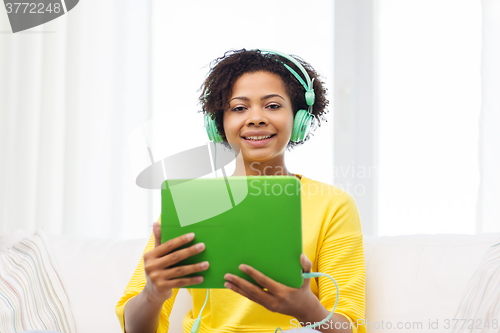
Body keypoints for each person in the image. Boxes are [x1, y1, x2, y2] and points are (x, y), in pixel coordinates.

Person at [116, 49, 366, 333]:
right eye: (239, 108)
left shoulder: (332, 204)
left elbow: (349, 327)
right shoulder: (192, 203)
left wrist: (307, 310)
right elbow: (134, 328)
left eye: (272, 106)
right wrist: (153, 293)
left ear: (299, 119)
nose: (256, 118)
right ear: (217, 123)